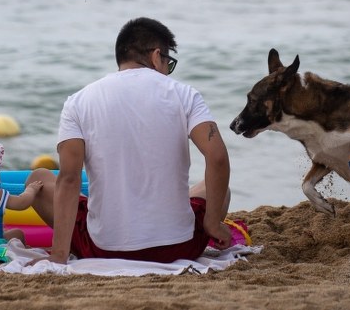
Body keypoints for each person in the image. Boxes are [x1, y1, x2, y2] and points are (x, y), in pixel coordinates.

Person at [27, 17, 232, 264]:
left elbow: (69, 179)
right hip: (179, 246)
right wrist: (212, 223)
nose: (168, 69)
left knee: (38, 180)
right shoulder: (184, 94)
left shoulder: (79, 101)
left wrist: (59, 255)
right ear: (157, 56)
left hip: (103, 248)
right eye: (169, 62)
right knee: (219, 190)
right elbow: (218, 158)